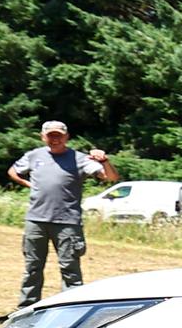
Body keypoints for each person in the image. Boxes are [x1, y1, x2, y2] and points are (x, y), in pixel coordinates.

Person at [9, 120, 118, 309]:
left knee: (70, 269)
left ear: (66, 137)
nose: (55, 139)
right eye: (51, 135)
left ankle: (71, 309)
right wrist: (28, 184)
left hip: (67, 222)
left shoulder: (80, 159)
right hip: (36, 220)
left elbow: (110, 178)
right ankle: (26, 308)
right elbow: (12, 171)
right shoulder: (34, 156)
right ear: (43, 137)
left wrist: (104, 161)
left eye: (59, 135)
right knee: (32, 267)